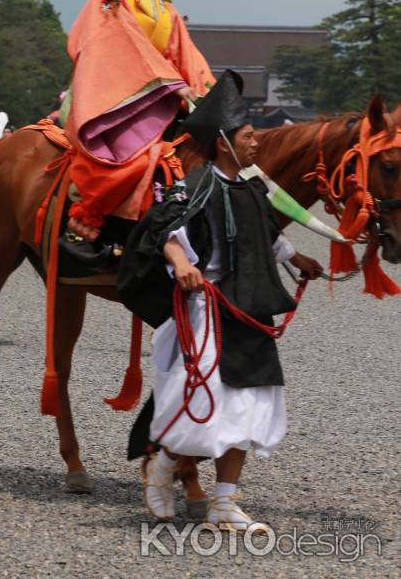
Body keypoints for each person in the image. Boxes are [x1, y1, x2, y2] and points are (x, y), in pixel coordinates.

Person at [118, 70, 323, 531]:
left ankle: (224, 504)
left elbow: (264, 236)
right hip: (208, 309)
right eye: (248, 136)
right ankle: (164, 465)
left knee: (250, 404)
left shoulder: (251, 187)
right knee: (205, 400)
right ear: (223, 143)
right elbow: (160, 232)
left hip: (252, 308)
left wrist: (297, 257)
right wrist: (181, 261)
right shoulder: (193, 186)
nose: (255, 142)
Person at [60, 0, 214, 260]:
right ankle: (93, 228)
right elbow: (119, 43)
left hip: (157, 94)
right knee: (133, 157)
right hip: (115, 95)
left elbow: (180, 48)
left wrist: (204, 92)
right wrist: (170, 85)